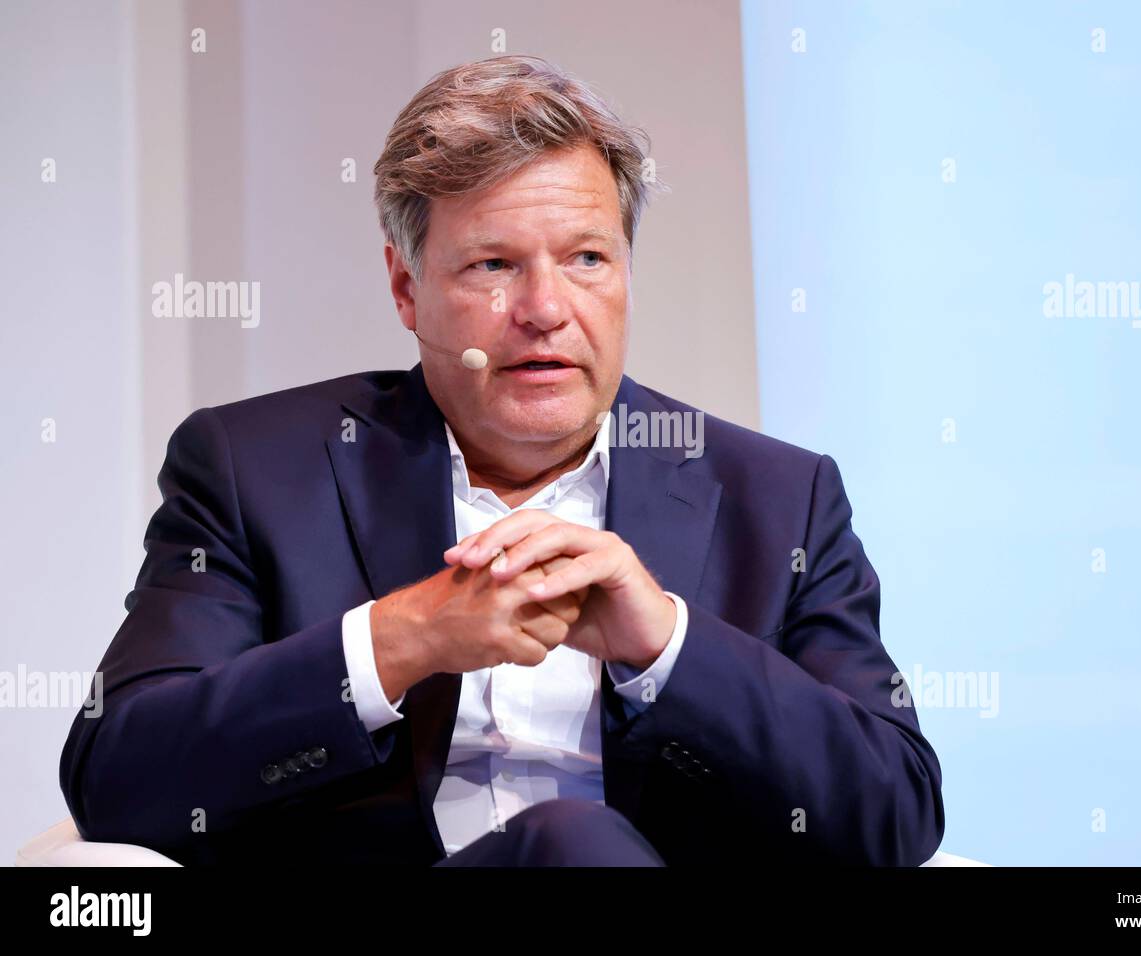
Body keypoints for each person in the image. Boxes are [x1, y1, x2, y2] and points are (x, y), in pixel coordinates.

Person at [59, 54, 944, 866]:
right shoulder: (255, 471)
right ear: (406, 288)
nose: (546, 309)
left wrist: (667, 648)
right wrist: (404, 637)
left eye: (587, 258)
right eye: (493, 265)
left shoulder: (779, 499)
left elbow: (895, 816)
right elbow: (120, 778)